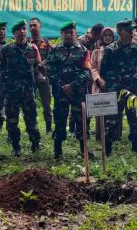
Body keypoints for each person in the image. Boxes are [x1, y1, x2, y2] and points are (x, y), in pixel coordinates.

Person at [46, 21, 92, 159]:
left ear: (75, 34)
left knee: (82, 120)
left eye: (71, 32)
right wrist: (63, 86)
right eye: (66, 33)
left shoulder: (83, 50)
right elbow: (50, 70)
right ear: (61, 34)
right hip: (61, 93)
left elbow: (87, 72)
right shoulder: (54, 50)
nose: (68, 35)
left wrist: (72, 85)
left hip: (78, 92)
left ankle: (84, 150)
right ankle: (58, 150)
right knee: (60, 120)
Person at [0, 20, 43, 156]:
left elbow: (38, 66)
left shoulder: (33, 49)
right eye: (19, 30)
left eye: (24, 29)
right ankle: (16, 146)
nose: (22, 32)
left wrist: (40, 75)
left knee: (31, 118)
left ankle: (35, 143)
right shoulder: (6, 49)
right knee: (12, 120)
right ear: (14, 33)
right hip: (11, 92)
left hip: (28, 92)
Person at [100, 20, 137, 155]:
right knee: (112, 119)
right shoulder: (110, 50)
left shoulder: (136, 49)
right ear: (120, 32)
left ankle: (135, 149)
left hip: (132, 89)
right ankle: (107, 150)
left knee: (134, 118)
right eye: (129, 31)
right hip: (115, 90)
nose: (132, 33)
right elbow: (103, 72)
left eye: (132, 31)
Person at [89, 27, 115, 141]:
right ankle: (100, 136)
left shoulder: (116, 50)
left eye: (110, 35)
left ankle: (113, 135)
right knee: (100, 110)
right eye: (106, 36)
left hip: (113, 84)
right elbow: (92, 67)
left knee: (112, 110)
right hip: (99, 84)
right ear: (102, 37)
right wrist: (98, 79)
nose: (108, 38)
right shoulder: (96, 52)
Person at [29, 17, 54, 133]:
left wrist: (42, 65)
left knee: (46, 103)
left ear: (40, 26)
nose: (33, 28)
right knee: (29, 102)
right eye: (31, 26)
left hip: (44, 77)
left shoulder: (46, 42)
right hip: (31, 77)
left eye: (35, 25)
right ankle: (32, 126)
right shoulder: (27, 43)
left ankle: (49, 127)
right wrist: (36, 68)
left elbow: (51, 58)